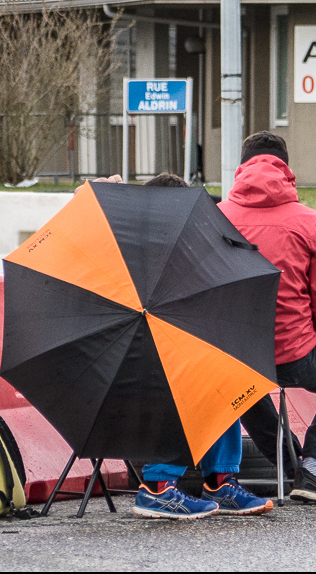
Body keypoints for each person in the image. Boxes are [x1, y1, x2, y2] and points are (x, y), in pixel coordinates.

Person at [80, 172, 273, 519]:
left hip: (150, 351)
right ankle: (157, 487)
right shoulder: (121, 245)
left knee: (221, 372)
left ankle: (220, 479)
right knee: (186, 378)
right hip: (119, 362)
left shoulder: (170, 249)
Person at [219, 132, 316, 504]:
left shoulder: (216, 217)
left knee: (244, 388)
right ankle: (314, 468)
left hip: (235, 353)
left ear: (241, 168)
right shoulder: (309, 223)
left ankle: (287, 467)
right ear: (286, 169)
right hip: (295, 354)